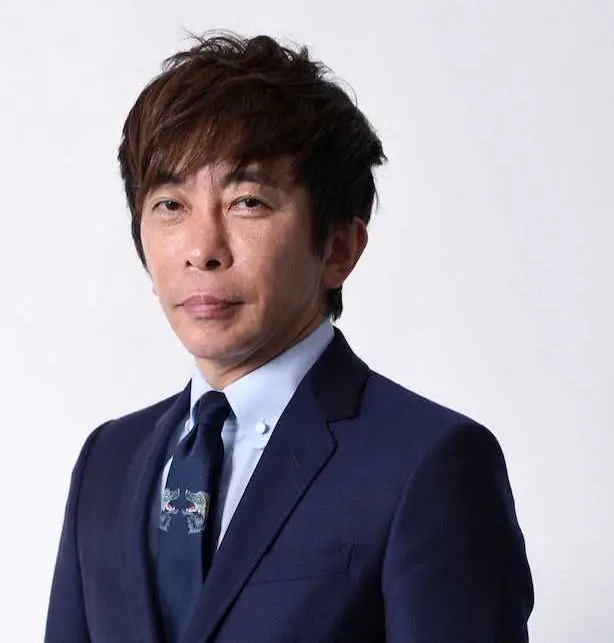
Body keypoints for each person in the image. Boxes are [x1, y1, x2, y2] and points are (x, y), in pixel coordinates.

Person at [44, 32, 533, 643]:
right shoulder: (108, 462)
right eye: (170, 204)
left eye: (247, 202)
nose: (202, 249)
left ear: (339, 248)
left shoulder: (429, 465)